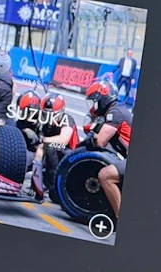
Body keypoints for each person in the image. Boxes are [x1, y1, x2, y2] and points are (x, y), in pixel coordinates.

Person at [82, 79, 132, 217]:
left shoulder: (115, 113)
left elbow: (99, 142)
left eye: (94, 101)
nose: (93, 106)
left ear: (102, 98)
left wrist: (92, 134)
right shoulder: (117, 109)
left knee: (105, 175)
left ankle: (121, 219)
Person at [30, 92, 79, 200]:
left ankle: (55, 183)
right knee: (34, 152)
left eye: (52, 115)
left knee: (51, 147)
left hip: (70, 155)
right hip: (51, 154)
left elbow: (63, 141)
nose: (49, 117)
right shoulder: (44, 122)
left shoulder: (67, 120)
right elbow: (40, 147)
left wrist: (43, 140)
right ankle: (37, 182)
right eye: (45, 114)